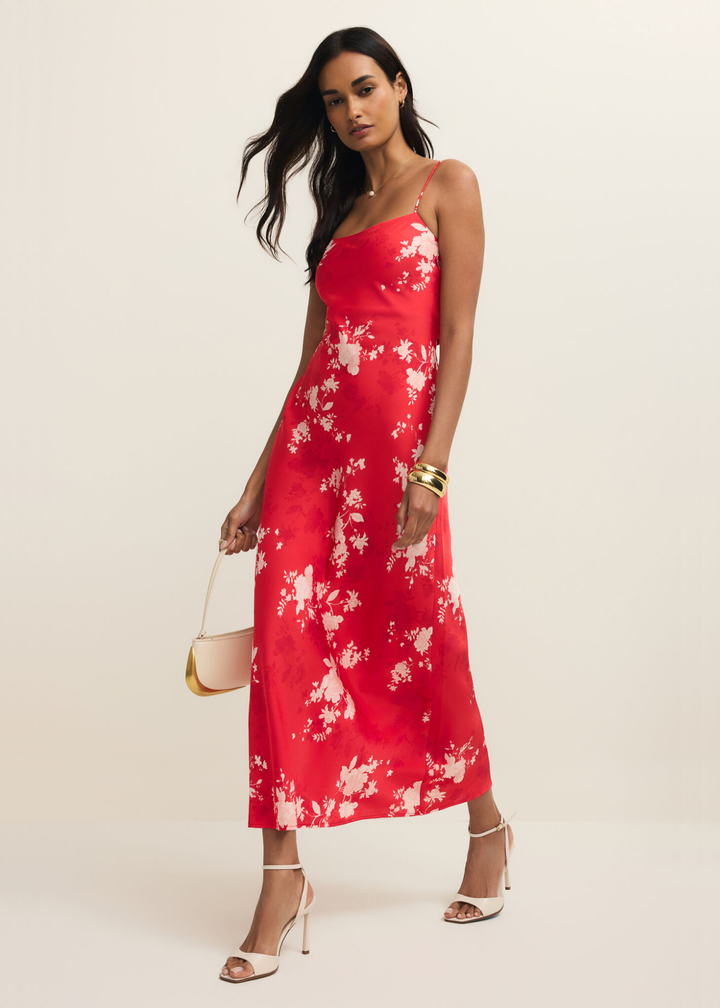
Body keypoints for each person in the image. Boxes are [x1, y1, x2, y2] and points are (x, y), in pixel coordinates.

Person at [217, 26, 515, 985]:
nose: (350, 111)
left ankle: (489, 826)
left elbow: (460, 337)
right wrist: (259, 483)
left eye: (364, 89)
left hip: (396, 459)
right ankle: (281, 876)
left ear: (398, 85)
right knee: (280, 649)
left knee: (427, 634)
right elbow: (309, 359)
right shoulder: (340, 213)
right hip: (314, 458)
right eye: (335, 100)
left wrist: (432, 470)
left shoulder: (448, 187)